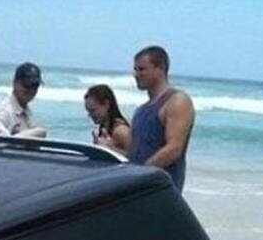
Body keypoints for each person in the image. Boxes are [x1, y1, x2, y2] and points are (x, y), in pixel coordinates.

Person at [129, 46, 195, 190]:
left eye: (141, 69)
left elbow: (174, 148)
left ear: (160, 68)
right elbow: (135, 152)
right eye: (135, 69)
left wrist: (139, 174)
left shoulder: (177, 101)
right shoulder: (141, 110)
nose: (136, 74)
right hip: (139, 189)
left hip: (161, 190)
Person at [84, 84, 131, 155]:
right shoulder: (105, 127)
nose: (90, 115)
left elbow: (138, 159)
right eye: (88, 111)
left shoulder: (120, 130)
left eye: (93, 110)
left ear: (106, 104)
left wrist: (110, 148)